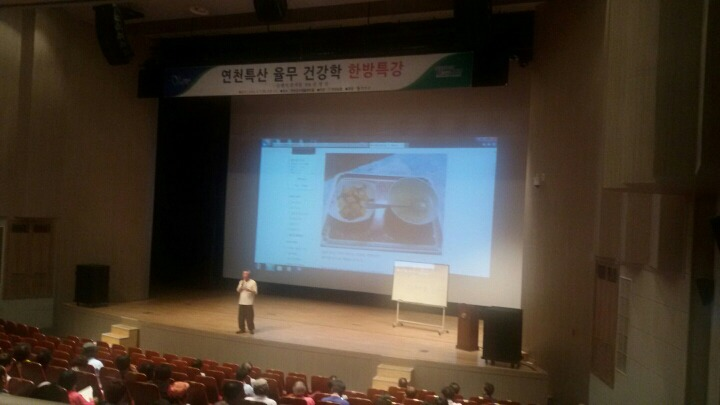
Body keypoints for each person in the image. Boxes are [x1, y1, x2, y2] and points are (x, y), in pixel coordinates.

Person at [236, 270, 258, 334]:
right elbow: (238, 290)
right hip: (241, 302)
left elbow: (255, 292)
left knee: (249, 317)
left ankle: (251, 329)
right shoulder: (241, 282)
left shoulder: (253, 282)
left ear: (249, 275)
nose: (245, 276)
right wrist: (241, 287)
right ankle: (242, 329)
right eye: (244, 274)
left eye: (246, 274)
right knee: (241, 317)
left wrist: (249, 290)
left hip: (249, 302)